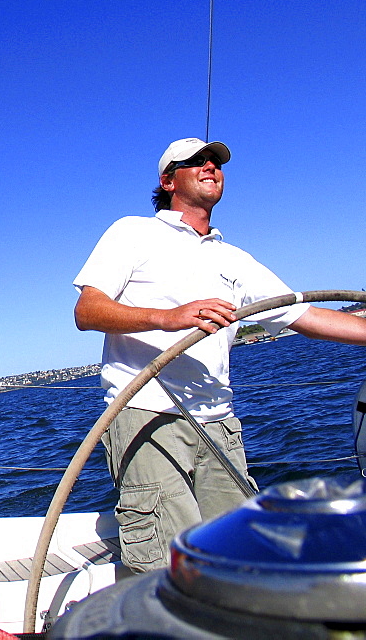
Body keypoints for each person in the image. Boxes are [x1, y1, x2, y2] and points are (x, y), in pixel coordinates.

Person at [72, 137, 366, 573]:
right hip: (149, 415)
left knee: (245, 555)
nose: (211, 167)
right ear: (168, 180)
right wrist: (168, 317)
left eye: (216, 162)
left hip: (220, 423)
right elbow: (87, 310)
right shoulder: (132, 232)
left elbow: (302, 315)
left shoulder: (234, 258)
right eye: (196, 162)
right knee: (170, 565)